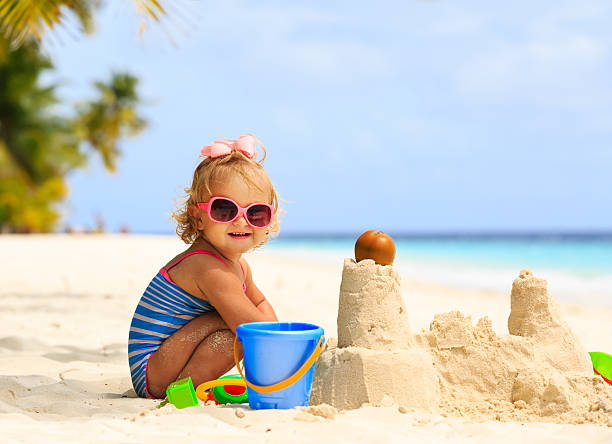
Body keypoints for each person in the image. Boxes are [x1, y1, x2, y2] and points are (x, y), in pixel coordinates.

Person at [128, 134, 280, 399]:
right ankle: (184, 391)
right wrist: (280, 352)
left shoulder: (239, 266)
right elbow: (251, 328)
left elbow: (261, 304)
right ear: (198, 218)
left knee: (239, 327)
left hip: (171, 355)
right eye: (225, 211)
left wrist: (276, 338)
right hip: (152, 369)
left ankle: (191, 385)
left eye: (255, 213)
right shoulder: (207, 267)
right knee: (239, 330)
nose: (241, 222)